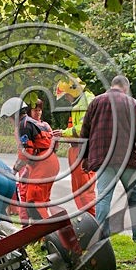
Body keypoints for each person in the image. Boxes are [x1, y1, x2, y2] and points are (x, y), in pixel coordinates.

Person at [80, 75, 136, 242]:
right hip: (126, 159)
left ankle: (99, 237)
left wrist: (84, 158)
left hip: (103, 159)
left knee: (104, 198)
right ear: (125, 88)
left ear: (112, 86)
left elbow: (85, 132)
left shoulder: (96, 102)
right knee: (135, 198)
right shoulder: (132, 103)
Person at [1, 96, 60, 222]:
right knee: (41, 200)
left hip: (43, 163)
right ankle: (45, 235)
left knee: (33, 201)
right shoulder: (32, 122)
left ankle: (50, 234)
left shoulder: (24, 125)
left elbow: (27, 152)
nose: (10, 121)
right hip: (50, 160)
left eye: (9, 118)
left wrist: (14, 170)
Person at [53, 77, 96, 216]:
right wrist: (64, 134)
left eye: (66, 95)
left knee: (85, 190)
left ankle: (95, 224)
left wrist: (64, 133)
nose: (66, 98)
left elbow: (84, 128)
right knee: (78, 190)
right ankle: (86, 222)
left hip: (85, 150)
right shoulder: (79, 103)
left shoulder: (87, 101)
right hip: (77, 149)